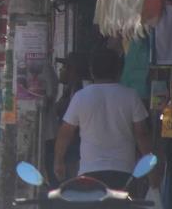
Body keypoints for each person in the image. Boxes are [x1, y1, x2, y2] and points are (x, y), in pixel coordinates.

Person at [54, 48, 156, 191]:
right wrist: (151, 170)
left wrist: (58, 161)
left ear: (92, 71)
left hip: (89, 172)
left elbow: (65, 133)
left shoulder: (81, 97)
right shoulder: (131, 96)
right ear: (119, 70)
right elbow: (142, 135)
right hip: (124, 172)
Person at [44, 53, 86, 185]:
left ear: (73, 70)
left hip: (73, 145)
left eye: (66, 67)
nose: (62, 70)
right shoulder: (69, 90)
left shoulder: (78, 91)